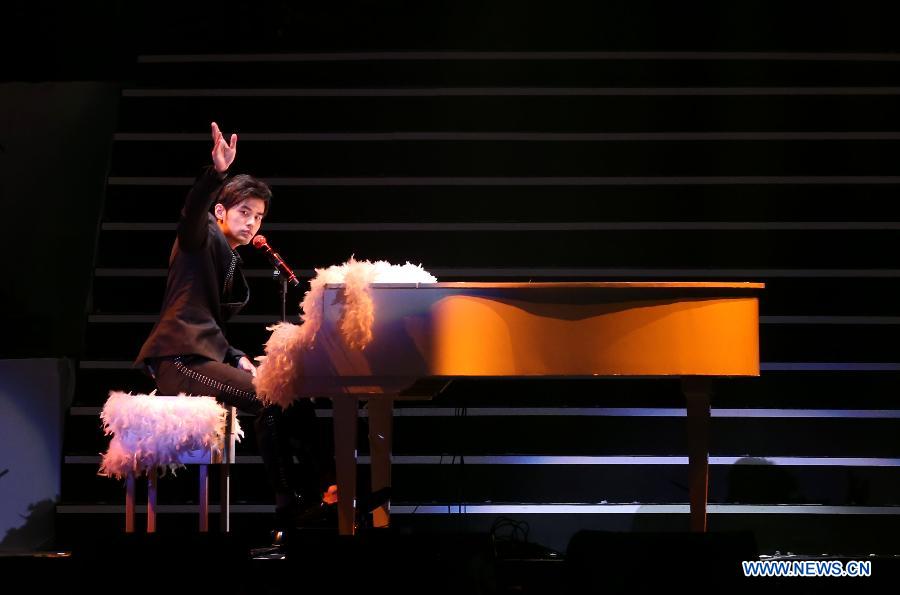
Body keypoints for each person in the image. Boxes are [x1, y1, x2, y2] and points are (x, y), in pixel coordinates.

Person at [135, 122, 333, 528]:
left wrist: (236, 355)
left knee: (291, 399)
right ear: (221, 211)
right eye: (244, 212)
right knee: (266, 398)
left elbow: (208, 322)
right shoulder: (201, 235)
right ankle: (290, 503)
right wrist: (217, 175)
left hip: (202, 354)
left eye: (258, 217)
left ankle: (329, 489)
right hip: (178, 359)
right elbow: (193, 211)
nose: (252, 223)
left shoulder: (229, 255)